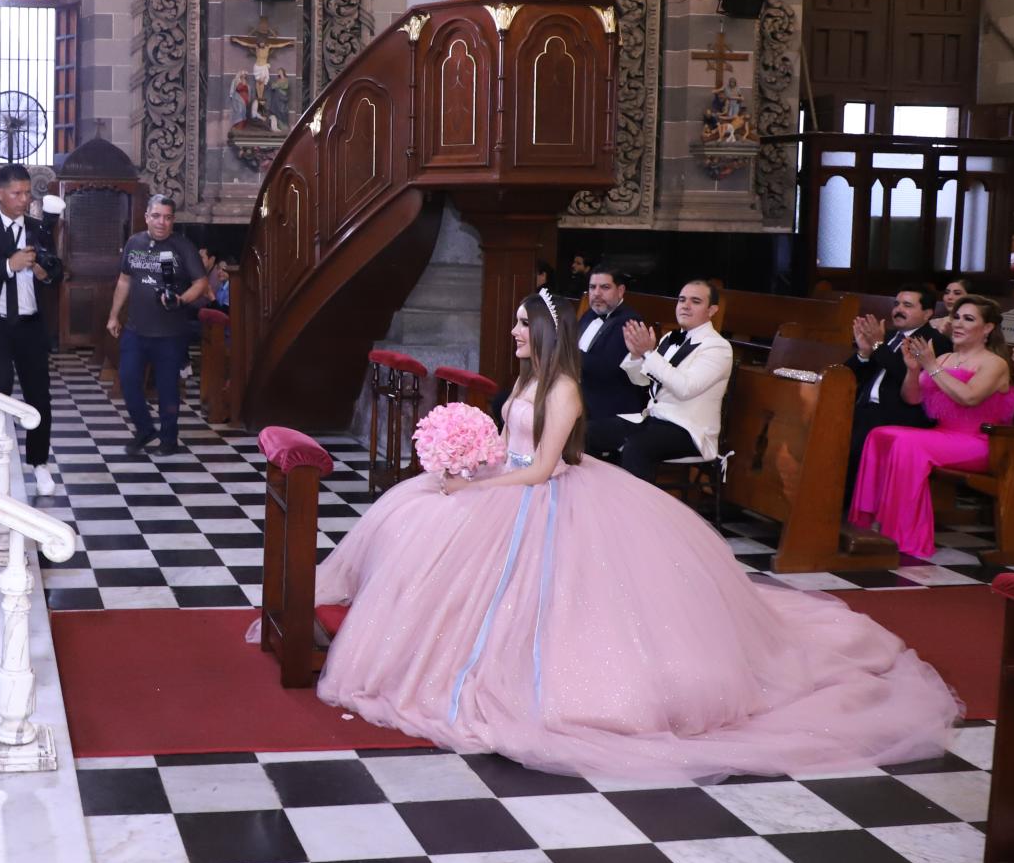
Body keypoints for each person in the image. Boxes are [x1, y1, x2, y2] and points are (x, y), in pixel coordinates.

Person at [298, 289, 959, 781]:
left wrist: (474, 485)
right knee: (422, 523)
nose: (514, 329)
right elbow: (513, 445)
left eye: (525, 323)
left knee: (549, 600)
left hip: (545, 496)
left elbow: (542, 471)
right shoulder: (528, 378)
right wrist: (469, 457)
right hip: (510, 479)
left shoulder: (562, 390)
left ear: (548, 333)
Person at [850, 296, 1014, 560]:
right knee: (880, 434)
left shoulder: (994, 363)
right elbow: (913, 398)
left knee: (909, 445)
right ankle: (867, 524)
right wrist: (912, 370)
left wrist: (930, 366)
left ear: (987, 328)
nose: (959, 324)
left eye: (969, 319)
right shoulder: (948, 357)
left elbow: (969, 397)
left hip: (980, 442)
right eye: (957, 317)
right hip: (944, 435)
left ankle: (904, 536)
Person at [0, 165, 59, 495]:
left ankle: (40, 464)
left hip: (31, 322)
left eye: (28, 192)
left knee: (39, 394)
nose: (24, 199)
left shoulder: (37, 228)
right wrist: (8, 266)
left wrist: (47, 274)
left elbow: (57, 270)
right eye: (16, 193)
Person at [583, 279, 732, 479]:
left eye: (695, 301)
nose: (685, 306)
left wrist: (648, 353)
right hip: (653, 419)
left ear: (712, 310)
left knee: (637, 448)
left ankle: (637, 508)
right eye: (681, 300)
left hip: (689, 430)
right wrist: (637, 355)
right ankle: (594, 494)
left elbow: (685, 388)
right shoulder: (670, 338)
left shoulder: (718, 347)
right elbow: (642, 381)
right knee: (587, 432)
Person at [108, 195, 211, 454]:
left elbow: (201, 283)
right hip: (135, 329)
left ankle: (168, 438)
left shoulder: (183, 246)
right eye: (156, 216)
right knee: (128, 380)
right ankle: (144, 429)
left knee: (167, 387)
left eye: (167, 217)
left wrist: (181, 299)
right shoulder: (135, 242)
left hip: (170, 334)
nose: (161, 222)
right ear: (146, 217)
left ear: (173, 220)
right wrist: (113, 315)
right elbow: (124, 280)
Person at [845, 285, 952, 502]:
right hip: (866, 407)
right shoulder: (889, 336)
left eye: (908, 305)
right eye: (896, 304)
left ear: (928, 313)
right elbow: (849, 374)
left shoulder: (934, 341)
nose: (898, 310)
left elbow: (911, 379)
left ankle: (844, 505)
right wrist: (864, 353)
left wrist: (877, 345)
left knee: (851, 441)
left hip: (900, 413)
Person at [574, 264, 648, 421]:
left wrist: (566, 354)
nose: (596, 293)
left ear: (620, 291)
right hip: (583, 400)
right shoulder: (589, 314)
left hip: (610, 410)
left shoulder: (629, 321)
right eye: (592, 287)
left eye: (605, 287)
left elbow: (606, 367)